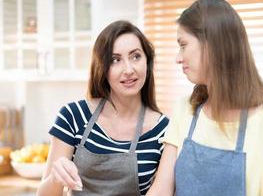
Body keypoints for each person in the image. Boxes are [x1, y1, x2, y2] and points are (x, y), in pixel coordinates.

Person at [146, 0, 263, 196]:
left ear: (212, 44)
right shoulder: (185, 108)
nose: (178, 57)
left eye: (183, 45)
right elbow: (160, 190)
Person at [37, 20, 169, 196]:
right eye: (115, 60)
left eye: (135, 56)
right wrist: (55, 178)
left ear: (148, 61)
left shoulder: (163, 131)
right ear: (103, 68)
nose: (128, 69)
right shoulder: (73, 116)